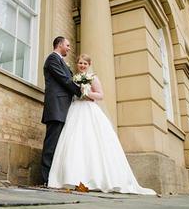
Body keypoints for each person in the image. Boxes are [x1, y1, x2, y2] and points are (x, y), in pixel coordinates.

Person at [48, 54, 156, 195]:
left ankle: (96, 178)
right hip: (75, 110)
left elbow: (100, 95)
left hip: (89, 109)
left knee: (92, 141)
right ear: (77, 64)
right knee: (74, 141)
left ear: (89, 64)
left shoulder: (93, 77)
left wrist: (86, 92)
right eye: (80, 63)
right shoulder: (74, 78)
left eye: (85, 64)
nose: (82, 65)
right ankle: (71, 177)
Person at [41, 36, 82, 186]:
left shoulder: (60, 61)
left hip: (63, 108)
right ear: (59, 45)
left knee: (59, 145)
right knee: (51, 144)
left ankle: (53, 178)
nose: (70, 48)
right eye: (68, 45)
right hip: (56, 107)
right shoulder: (52, 59)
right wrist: (82, 91)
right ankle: (45, 179)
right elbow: (64, 79)